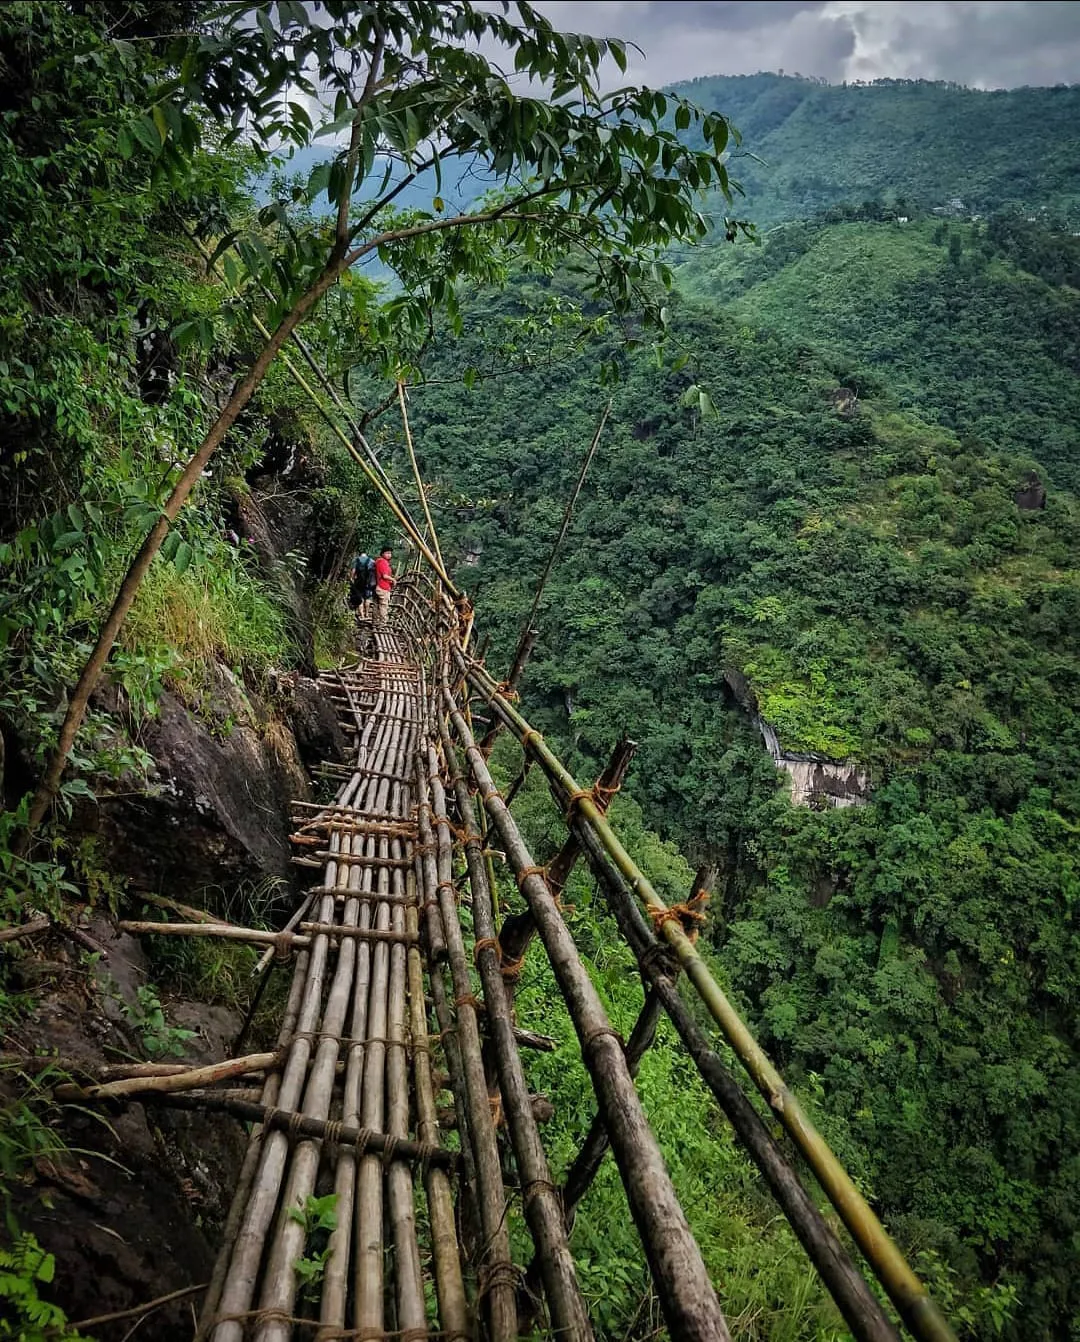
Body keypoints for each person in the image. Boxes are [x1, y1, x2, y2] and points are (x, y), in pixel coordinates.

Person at [348, 550, 376, 622]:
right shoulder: (372, 561)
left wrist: (351, 579)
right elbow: (374, 573)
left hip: (359, 583)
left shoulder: (356, 560)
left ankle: (362, 615)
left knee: (360, 599)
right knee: (368, 598)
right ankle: (367, 614)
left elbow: (353, 571)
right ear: (366, 554)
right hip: (369, 583)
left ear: (360, 554)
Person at [373, 544, 394, 624]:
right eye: (387, 553)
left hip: (378, 586)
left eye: (390, 553)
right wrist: (393, 580)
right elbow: (385, 576)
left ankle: (375, 622)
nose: (389, 555)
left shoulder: (378, 561)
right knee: (383, 606)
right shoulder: (383, 562)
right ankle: (383, 623)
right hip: (383, 587)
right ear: (382, 553)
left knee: (376, 604)